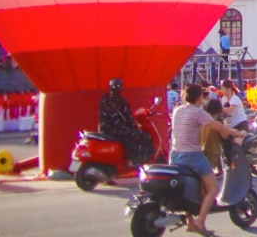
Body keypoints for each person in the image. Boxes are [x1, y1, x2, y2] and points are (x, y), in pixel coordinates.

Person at [171, 82, 245, 236]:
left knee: (188, 190)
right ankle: (200, 222)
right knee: (212, 188)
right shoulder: (198, 112)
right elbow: (219, 128)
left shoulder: (178, 110)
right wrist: (237, 133)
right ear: (199, 97)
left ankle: (191, 223)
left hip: (175, 155)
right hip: (193, 156)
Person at [99, 77, 154, 165]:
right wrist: (129, 128)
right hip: (110, 129)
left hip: (121, 128)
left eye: (119, 88)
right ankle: (136, 160)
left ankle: (138, 160)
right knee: (141, 136)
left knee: (143, 134)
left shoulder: (122, 100)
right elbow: (112, 118)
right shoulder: (106, 101)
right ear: (111, 88)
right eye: (115, 88)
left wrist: (134, 126)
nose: (117, 90)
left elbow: (128, 116)